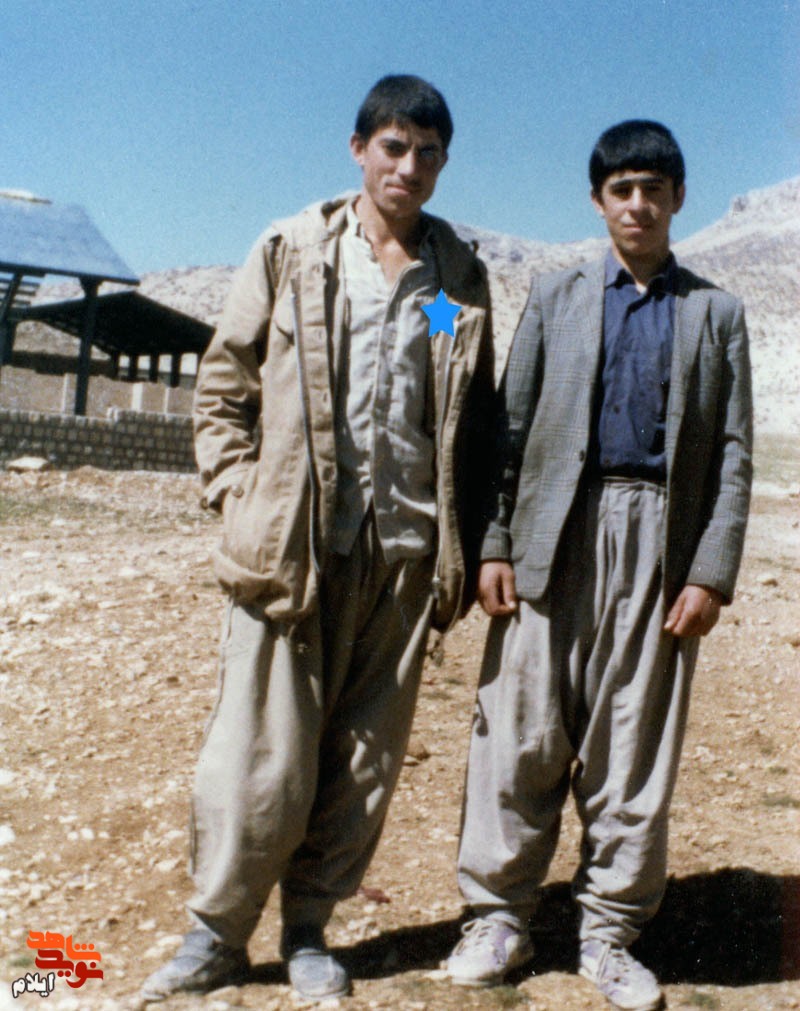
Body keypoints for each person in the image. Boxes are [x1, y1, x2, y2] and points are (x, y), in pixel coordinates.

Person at [141, 74, 494, 1003]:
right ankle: (216, 934)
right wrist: (237, 496)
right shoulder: (295, 250)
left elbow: (467, 405)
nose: (409, 167)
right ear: (359, 149)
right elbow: (226, 383)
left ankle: (308, 930)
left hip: (404, 553)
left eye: (427, 153)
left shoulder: (454, 278)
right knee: (259, 752)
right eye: (393, 146)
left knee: (363, 758)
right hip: (294, 546)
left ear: (443, 164)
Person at [446, 120, 753, 1011]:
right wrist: (494, 541)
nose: (638, 204)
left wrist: (710, 571)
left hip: (659, 540)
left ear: (678, 198)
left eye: (654, 188)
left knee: (632, 740)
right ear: (597, 200)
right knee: (520, 731)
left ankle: (609, 932)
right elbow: (509, 427)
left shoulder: (717, 314)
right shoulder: (557, 295)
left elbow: (734, 453)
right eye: (622, 189)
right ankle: (497, 916)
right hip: (554, 530)